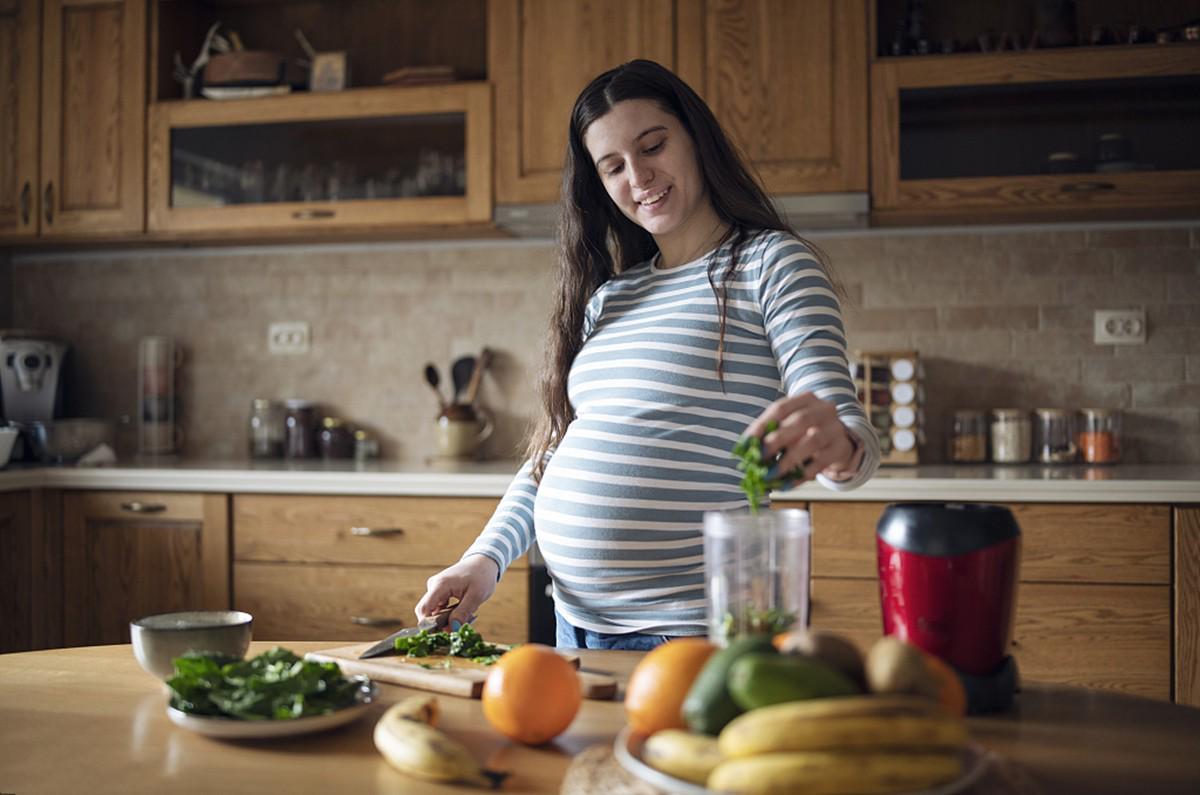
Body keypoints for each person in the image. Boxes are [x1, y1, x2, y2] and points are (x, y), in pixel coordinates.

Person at [416, 59, 879, 650]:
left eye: (653, 145)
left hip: (691, 634)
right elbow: (554, 456)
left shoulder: (772, 265)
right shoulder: (610, 296)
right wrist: (483, 560)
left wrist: (836, 446)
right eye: (613, 167)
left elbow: (844, 427)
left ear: (695, 138)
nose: (638, 176)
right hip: (575, 627)